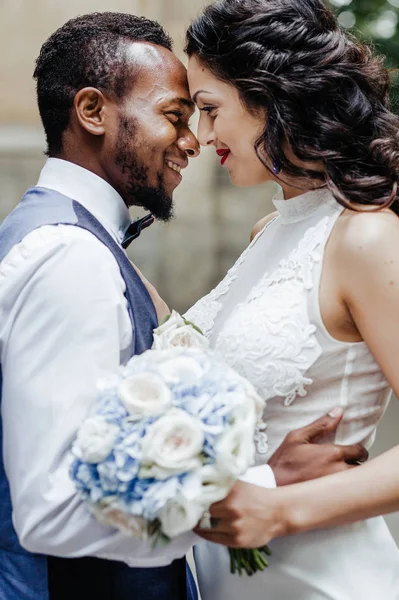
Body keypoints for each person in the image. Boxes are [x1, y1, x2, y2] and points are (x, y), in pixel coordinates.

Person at [0, 10, 365, 600]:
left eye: (206, 112)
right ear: (91, 112)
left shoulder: (74, 242)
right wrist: (261, 482)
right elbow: (51, 510)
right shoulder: (72, 257)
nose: (195, 139)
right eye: (177, 116)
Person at [184, 0, 399, 598]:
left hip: (324, 577)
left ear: (271, 95)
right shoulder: (267, 233)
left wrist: (283, 510)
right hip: (231, 576)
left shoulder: (365, 234)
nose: (201, 137)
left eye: (209, 110)